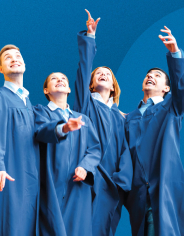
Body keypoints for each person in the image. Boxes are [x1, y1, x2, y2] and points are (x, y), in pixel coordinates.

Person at [124, 26, 184, 235]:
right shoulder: (128, 118)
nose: (150, 76)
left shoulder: (171, 107)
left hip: (163, 186)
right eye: (147, 75)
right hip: (137, 195)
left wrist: (174, 53)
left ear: (167, 88)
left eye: (157, 75)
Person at [0, 45, 54, 235]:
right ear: (1, 69)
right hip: (8, 174)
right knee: (8, 226)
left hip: (29, 178)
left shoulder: (29, 104)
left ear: (25, 64)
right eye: (7, 57)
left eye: (18, 56)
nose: (14, 59)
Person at [73, 10, 133, 235]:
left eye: (107, 73)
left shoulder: (121, 117)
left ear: (114, 86)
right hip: (86, 176)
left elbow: (126, 152)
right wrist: (90, 37)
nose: (103, 74)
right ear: (90, 84)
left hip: (111, 184)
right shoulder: (86, 104)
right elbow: (83, 69)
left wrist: (121, 182)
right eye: (98, 73)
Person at [34, 72, 101, 235]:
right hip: (50, 183)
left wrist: (85, 167)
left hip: (76, 185)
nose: (60, 80)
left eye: (64, 78)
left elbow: (94, 149)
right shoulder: (40, 112)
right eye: (54, 79)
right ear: (46, 90)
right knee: (50, 228)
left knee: (77, 229)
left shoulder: (82, 119)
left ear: (69, 89)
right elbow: (40, 132)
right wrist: (63, 128)